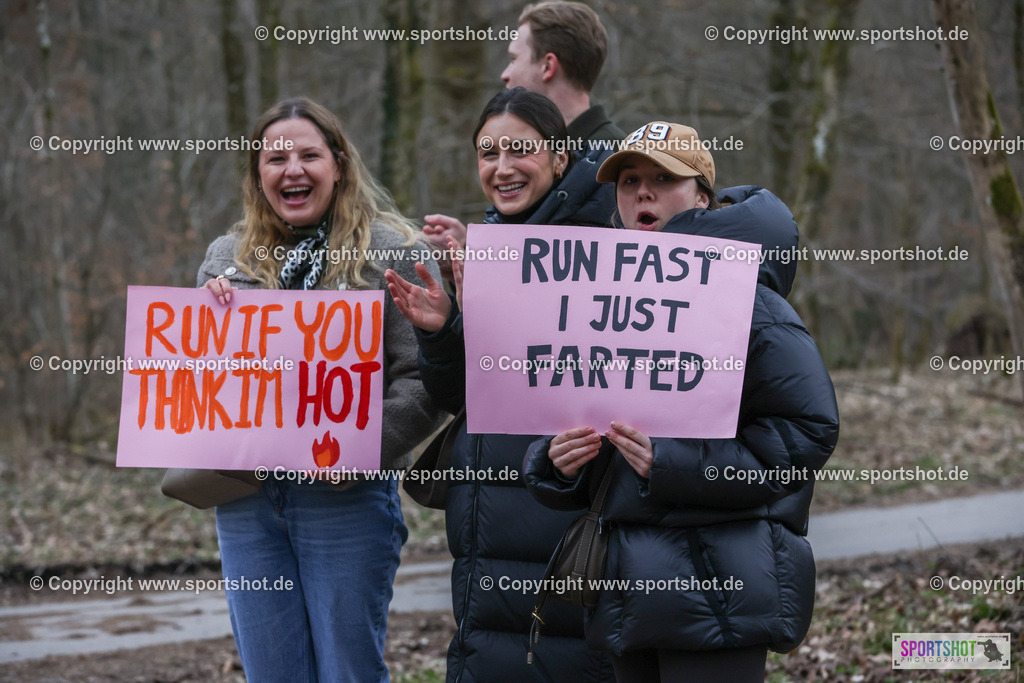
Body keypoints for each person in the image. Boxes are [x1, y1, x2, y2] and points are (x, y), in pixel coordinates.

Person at [523, 122, 841, 683]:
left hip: (722, 591)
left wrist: (672, 465)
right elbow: (568, 424)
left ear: (701, 197)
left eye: (663, 178)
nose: (641, 192)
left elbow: (808, 431)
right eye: (628, 180)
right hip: (625, 592)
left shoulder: (751, 300)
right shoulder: (596, 301)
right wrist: (554, 462)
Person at [198, 97, 443, 682]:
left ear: (338, 164)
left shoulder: (393, 253)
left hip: (347, 501)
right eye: (275, 157)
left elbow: (424, 380)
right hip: (247, 502)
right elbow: (206, 383)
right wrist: (201, 329)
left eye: (309, 155)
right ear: (258, 174)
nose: (293, 169)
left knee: (347, 673)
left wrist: (361, 446)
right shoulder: (225, 260)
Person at [384, 87, 616, 682]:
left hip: (565, 518)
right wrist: (443, 330)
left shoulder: (608, 244)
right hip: (486, 522)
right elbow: (466, 394)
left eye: (520, 150)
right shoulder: (486, 250)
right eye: (488, 152)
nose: (502, 167)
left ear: (559, 157)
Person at [423, 1, 625, 275]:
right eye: (490, 154)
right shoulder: (513, 167)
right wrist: (474, 252)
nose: (505, 74)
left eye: (514, 58)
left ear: (548, 66)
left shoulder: (624, 164)